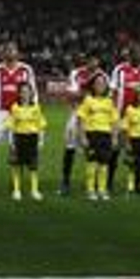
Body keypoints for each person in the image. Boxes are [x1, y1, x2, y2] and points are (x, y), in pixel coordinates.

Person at [0, 42, 37, 192]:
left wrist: (33, 110)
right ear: (3, 53)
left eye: (13, 50)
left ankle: (15, 181)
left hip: (20, 113)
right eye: (7, 50)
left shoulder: (26, 69)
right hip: (0, 112)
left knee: (17, 148)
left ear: (18, 53)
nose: (10, 53)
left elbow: (33, 90)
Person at [108, 44, 140, 191]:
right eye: (135, 54)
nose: (138, 56)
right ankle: (109, 180)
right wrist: (112, 114)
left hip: (138, 118)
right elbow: (112, 92)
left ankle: (137, 182)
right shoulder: (119, 69)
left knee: (137, 151)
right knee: (115, 150)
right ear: (129, 55)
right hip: (120, 116)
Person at [60, 53, 103, 196]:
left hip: (95, 116)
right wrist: (86, 92)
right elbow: (70, 95)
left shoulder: (102, 75)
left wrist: (83, 93)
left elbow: (105, 96)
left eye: (96, 59)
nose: (94, 62)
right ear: (87, 61)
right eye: (91, 60)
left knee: (93, 150)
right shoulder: (76, 73)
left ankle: (92, 182)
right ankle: (65, 181)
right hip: (76, 113)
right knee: (70, 147)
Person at [77, 74, 119, 202]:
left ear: (106, 86)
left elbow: (114, 121)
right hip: (92, 134)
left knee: (104, 164)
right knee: (92, 163)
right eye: (97, 83)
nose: (100, 86)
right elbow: (81, 119)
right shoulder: (88, 100)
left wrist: (114, 137)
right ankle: (90, 190)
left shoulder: (109, 101)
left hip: (105, 135)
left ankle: (102, 189)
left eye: (102, 83)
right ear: (93, 86)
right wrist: (83, 137)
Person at [8, 81, 47, 201]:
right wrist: (11, 141)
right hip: (19, 138)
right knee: (17, 165)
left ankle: (34, 190)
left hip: (32, 138)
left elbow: (41, 125)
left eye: (27, 92)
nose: (25, 94)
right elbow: (11, 126)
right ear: (19, 94)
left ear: (31, 93)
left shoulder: (36, 107)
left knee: (33, 166)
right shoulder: (15, 107)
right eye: (23, 92)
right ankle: (16, 190)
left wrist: (41, 140)